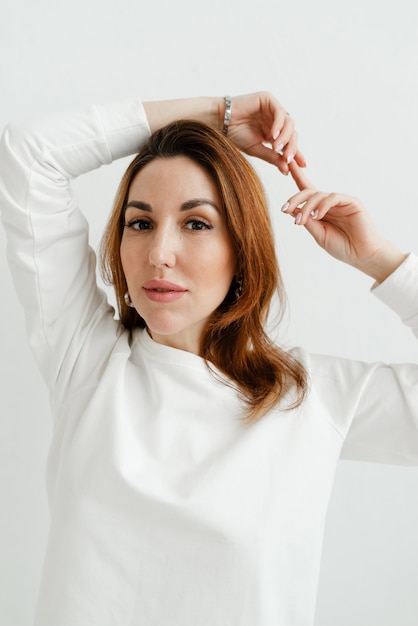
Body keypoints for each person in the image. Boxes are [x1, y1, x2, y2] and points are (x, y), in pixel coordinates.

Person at [0, 91, 417, 626]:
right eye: (140, 223)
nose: (158, 254)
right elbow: (28, 152)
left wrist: (381, 260)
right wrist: (219, 115)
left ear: (242, 249)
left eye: (196, 223)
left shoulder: (313, 396)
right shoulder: (86, 362)